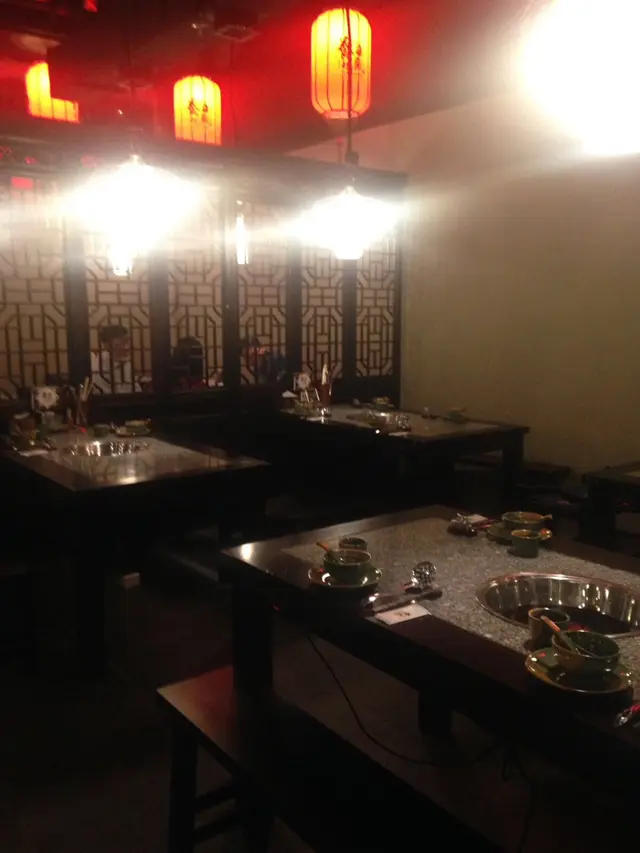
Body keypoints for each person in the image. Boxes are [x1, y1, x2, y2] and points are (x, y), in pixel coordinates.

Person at [91, 324, 139, 394]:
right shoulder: (101, 367)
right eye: (120, 343)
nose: (127, 347)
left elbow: (137, 389)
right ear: (107, 345)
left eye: (127, 341)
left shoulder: (126, 363)